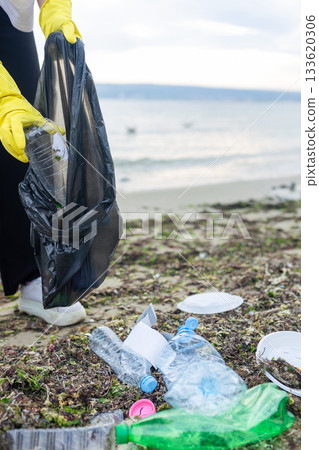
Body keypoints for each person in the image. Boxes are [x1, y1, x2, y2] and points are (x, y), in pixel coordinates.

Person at [0, 0, 86, 326]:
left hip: (12, 18)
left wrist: (55, 9)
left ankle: (30, 275)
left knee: (22, 142)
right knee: (10, 112)